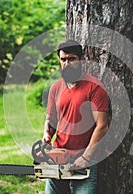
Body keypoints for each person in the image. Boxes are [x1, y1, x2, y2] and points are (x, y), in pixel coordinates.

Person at [42, 39, 110, 194]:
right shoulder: (56, 88)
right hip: (58, 155)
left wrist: (86, 157)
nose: (67, 63)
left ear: (81, 59)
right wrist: (47, 134)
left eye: (71, 59)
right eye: (63, 59)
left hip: (86, 157)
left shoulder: (94, 87)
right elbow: (51, 120)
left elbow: (102, 126)